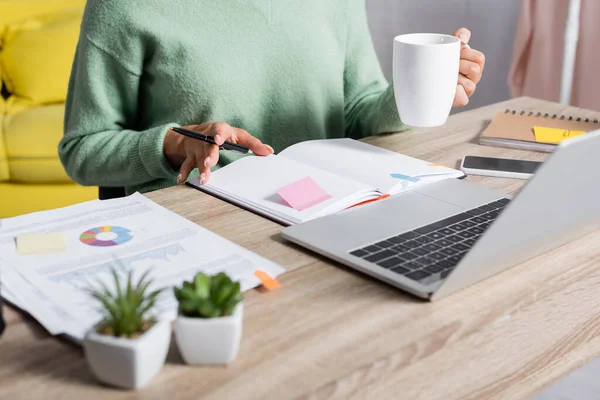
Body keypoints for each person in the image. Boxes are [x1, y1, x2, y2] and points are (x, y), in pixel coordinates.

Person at [59, 0, 485, 195]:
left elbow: (355, 110)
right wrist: (175, 144)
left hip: (324, 206)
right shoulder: (122, 8)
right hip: (200, 222)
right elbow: (82, 149)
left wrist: (420, 91)